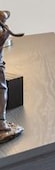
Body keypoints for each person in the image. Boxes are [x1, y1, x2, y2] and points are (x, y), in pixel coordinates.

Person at [0, 10, 24, 140]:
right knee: (2, 91)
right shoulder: (3, 32)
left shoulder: (3, 33)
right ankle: (1, 122)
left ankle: (1, 122)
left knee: (2, 91)